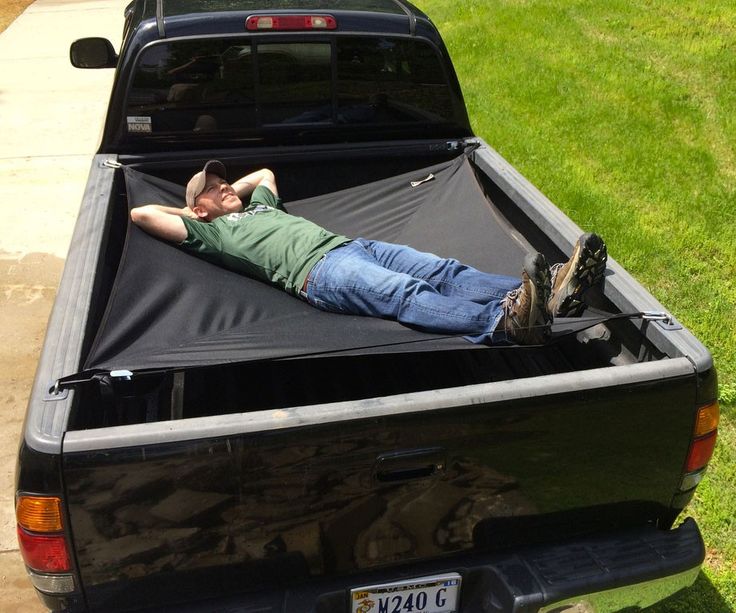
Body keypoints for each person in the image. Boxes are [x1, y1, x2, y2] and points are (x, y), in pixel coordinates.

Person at [130, 160, 608, 345]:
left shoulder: (257, 207)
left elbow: (266, 174)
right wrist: (197, 212)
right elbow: (142, 215)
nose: (225, 187)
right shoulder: (212, 235)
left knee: (443, 268)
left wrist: (225, 193)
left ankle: (549, 291)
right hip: (318, 272)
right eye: (213, 188)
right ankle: (504, 324)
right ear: (198, 208)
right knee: (406, 292)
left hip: (352, 246)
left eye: (222, 180)